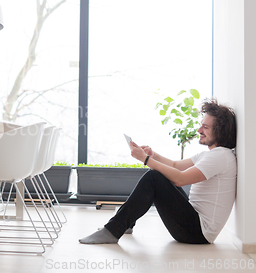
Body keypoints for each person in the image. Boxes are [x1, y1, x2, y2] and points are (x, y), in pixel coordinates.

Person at [79, 99, 237, 245]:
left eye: (205, 127)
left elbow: (180, 179)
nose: (199, 129)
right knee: (160, 174)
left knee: (154, 178)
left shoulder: (221, 156)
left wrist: (146, 160)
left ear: (219, 132)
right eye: (201, 124)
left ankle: (113, 230)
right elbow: (175, 165)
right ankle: (122, 224)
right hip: (195, 224)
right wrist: (152, 155)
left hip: (198, 232)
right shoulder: (211, 154)